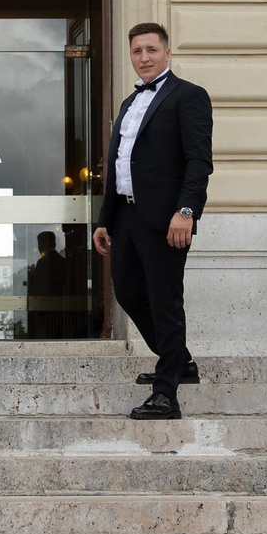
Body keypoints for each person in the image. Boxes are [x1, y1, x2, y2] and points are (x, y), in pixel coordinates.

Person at [93, 22, 213, 419]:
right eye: (137, 51)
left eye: (151, 50)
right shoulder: (129, 104)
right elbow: (118, 165)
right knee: (127, 293)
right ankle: (181, 362)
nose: (143, 57)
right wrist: (104, 219)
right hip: (125, 215)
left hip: (166, 219)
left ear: (166, 53)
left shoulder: (189, 96)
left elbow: (199, 161)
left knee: (165, 300)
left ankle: (167, 394)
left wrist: (186, 212)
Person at [22, 230, 70, 340]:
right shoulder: (63, 261)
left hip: (44, 309)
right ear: (54, 244)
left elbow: (40, 287)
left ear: (41, 244)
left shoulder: (42, 262)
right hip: (60, 309)